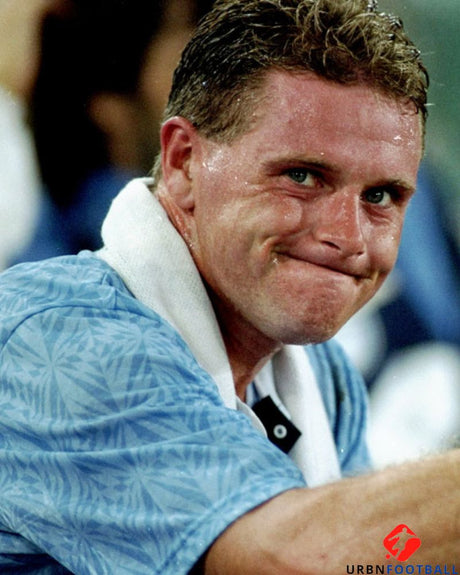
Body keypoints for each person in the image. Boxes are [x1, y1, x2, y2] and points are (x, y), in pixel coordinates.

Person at [0, 1, 458, 574]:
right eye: (302, 176)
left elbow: (376, 561)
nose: (349, 238)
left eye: (381, 196)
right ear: (183, 163)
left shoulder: (321, 373)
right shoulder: (55, 339)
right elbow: (283, 562)